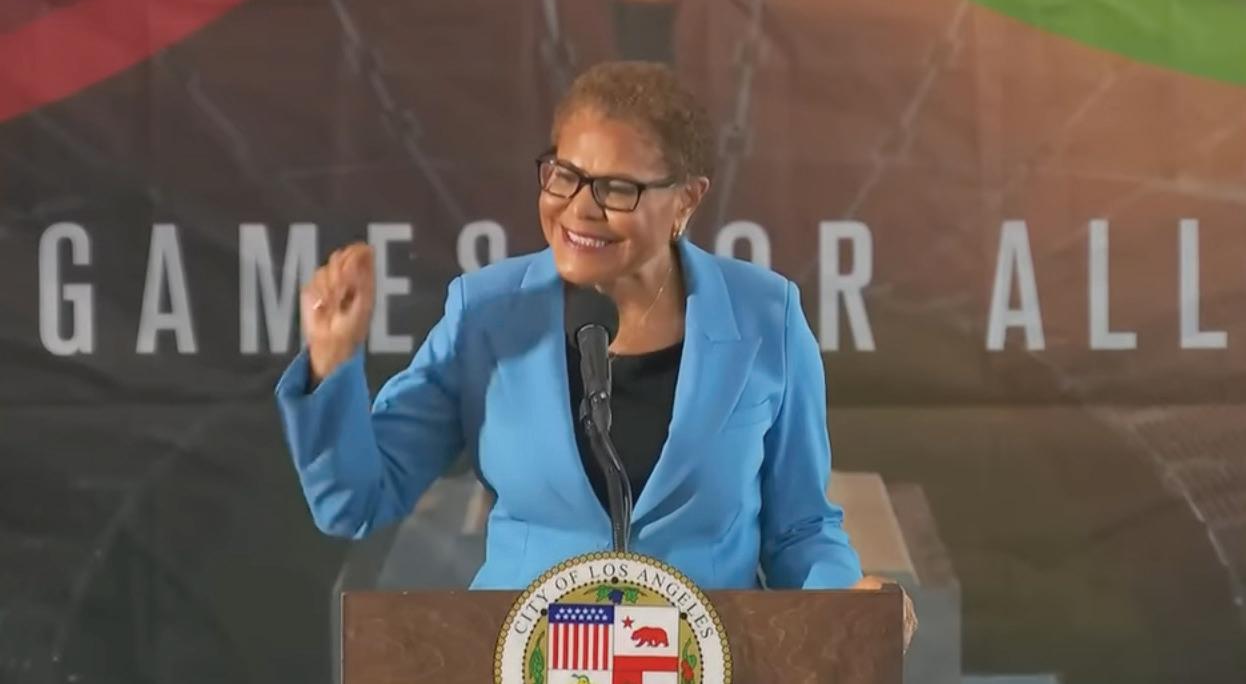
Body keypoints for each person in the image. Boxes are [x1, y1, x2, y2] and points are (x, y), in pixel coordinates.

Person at [275, 61, 914, 643]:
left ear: (686, 199)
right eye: (564, 176)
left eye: (616, 188)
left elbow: (801, 528)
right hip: (524, 661)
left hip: (710, 660)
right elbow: (357, 501)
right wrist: (332, 363)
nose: (579, 209)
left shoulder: (765, 315)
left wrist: (847, 602)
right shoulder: (486, 314)